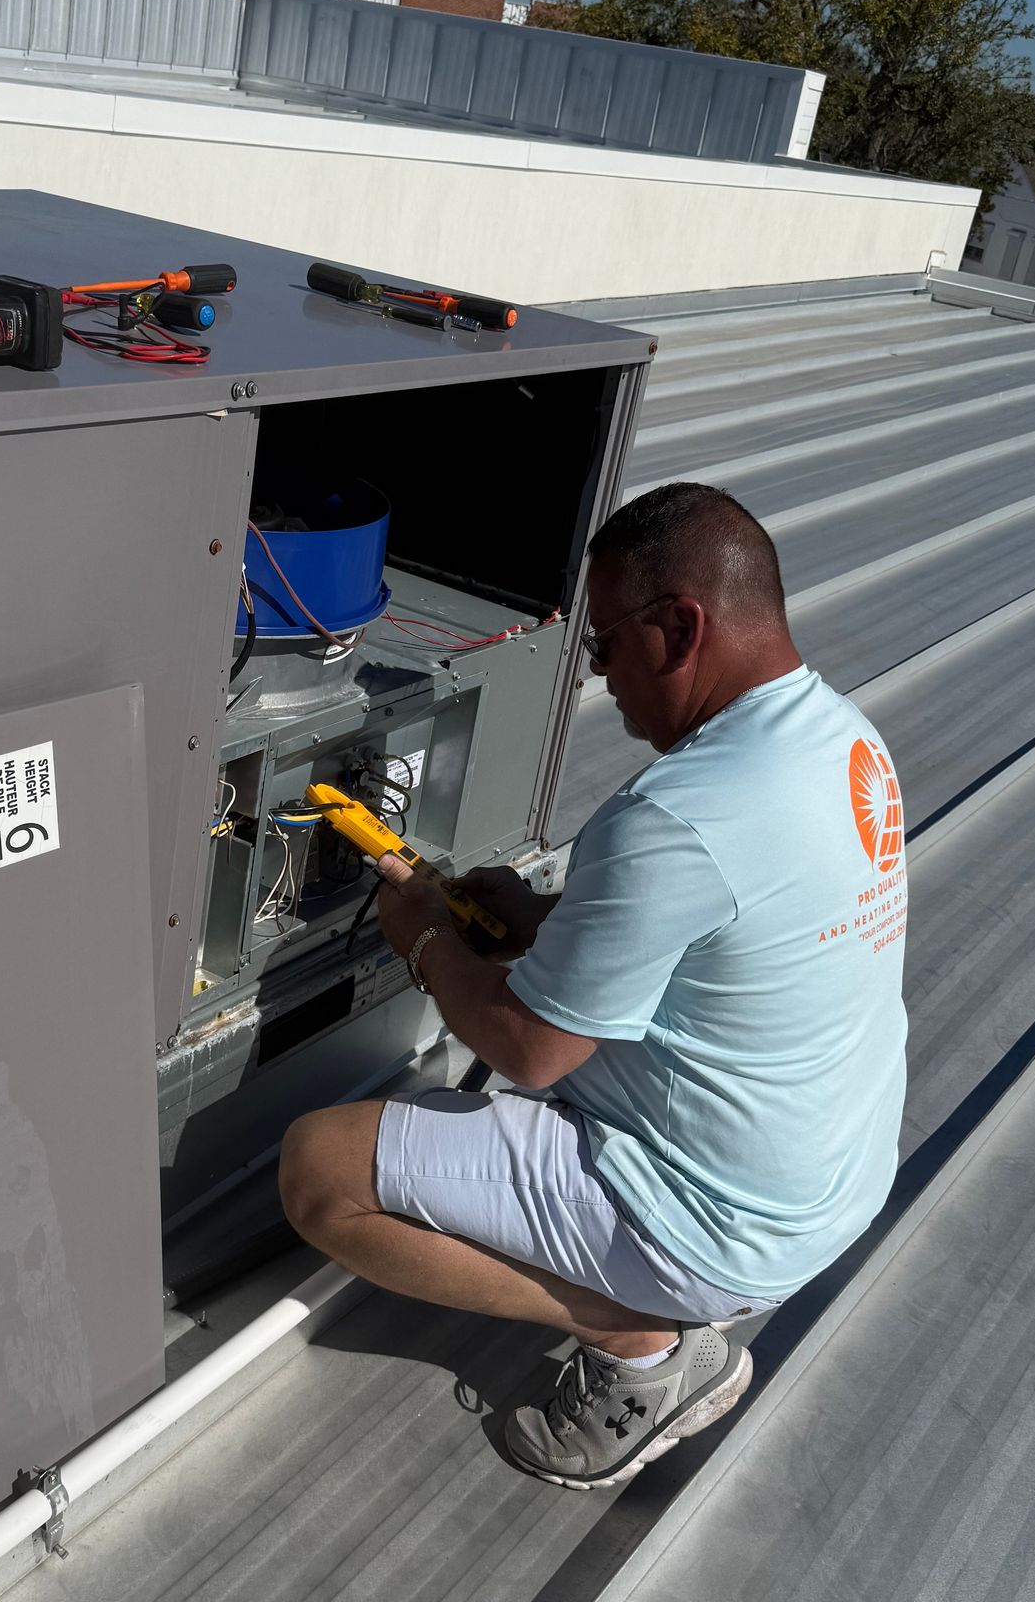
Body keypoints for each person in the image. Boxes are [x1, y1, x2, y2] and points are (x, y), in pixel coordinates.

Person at [278, 480, 909, 1488]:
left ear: (678, 626)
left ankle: (643, 1341)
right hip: (829, 1183)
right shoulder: (843, 742)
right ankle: (665, 1301)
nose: (599, 680)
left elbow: (526, 1049)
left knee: (318, 1170)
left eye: (605, 647)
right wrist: (543, 924)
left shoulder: (679, 812)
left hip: (721, 1219)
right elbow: (731, 938)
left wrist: (424, 940)